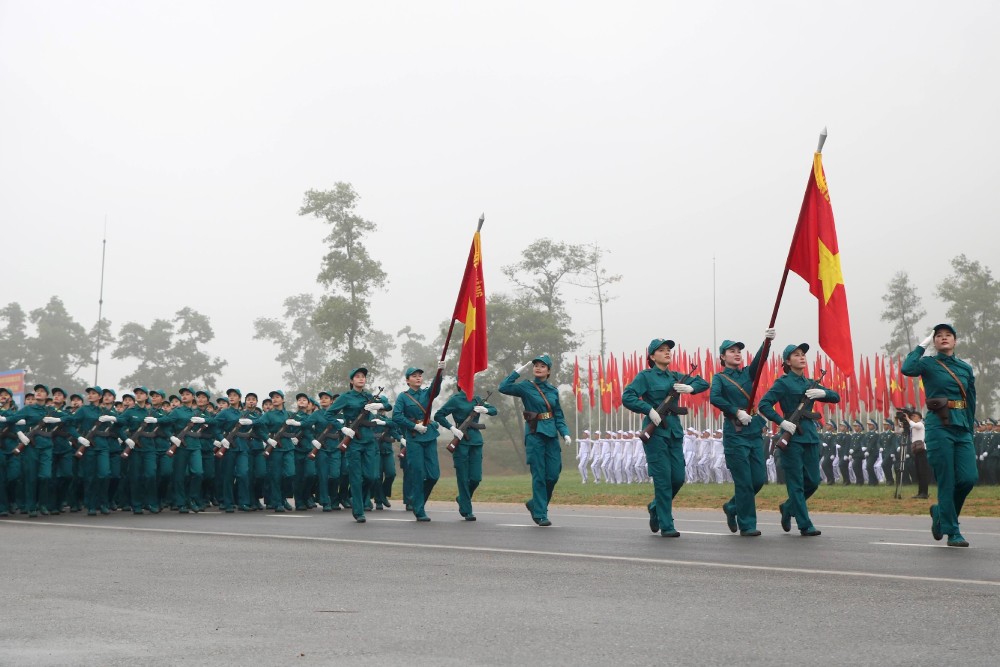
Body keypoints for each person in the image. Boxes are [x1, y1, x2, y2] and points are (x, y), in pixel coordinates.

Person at [622, 339, 709, 537]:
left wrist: (690, 388)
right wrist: (648, 409)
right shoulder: (645, 377)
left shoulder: (676, 377)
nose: (667, 352)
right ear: (652, 356)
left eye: (668, 350)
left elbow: (704, 382)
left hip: (674, 430)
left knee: (678, 477)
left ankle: (655, 507)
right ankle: (666, 524)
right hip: (655, 433)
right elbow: (628, 396)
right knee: (663, 480)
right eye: (661, 350)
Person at [902, 324, 976, 546]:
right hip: (938, 426)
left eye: (948, 335)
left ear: (955, 341)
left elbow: (971, 400)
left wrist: (970, 429)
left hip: (961, 427)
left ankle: (940, 514)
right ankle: (952, 532)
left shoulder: (965, 368)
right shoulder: (928, 363)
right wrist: (921, 346)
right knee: (947, 480)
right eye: (938, 336)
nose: (943, 338)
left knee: (968, 479)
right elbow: (907, 368)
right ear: (934, 342)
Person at [759, 343, 840, 537]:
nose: (802, 357)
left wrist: (824, 393)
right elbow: (764, 404)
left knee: (812, 481)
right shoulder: (783, 383)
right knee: (795, 483)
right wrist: (781, 422)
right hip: (792, 438)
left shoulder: (810, 383)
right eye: (796, 355)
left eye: (803, 354)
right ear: (788, 361)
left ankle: (788, 507)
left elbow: (836, 397)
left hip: (810, 436)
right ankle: (805, 524)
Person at [710, 331, 773, 536]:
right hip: (735, 432)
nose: (737, 354)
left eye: (739, 351)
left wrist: (767, 342)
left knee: (758, 479)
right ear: (722, 356)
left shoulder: (748, 374)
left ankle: (732, 507)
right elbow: (715, 398)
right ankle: (747, 525)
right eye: (731, 351)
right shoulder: (719, 378)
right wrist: (736, 411)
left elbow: (760, 360)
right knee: (744, 481)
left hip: (753, 430)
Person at [500, 354, 571, 527]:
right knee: (539, 475)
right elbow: (503, 387)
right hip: (535, 434)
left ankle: (535, 504)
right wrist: (517, 372)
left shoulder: (553, 390)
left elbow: (558, 415)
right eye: (536, 365)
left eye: (542, 366)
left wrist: (565, 432)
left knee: (553, 475)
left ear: (549, 370)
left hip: (551, 435)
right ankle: (540, 514)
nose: (538, 368)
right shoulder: (526, 387)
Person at [434, 381, 497, 520]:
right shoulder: (455, 400)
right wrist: (452, 428)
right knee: (463, 478)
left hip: (476, 442)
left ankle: (462, 498)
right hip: (461, 441)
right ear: (460, 384)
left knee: (475, 478)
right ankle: (467, 510)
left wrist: (485, 410)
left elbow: (494, 410)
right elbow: (438, 415)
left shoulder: (478, 399)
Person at [393, 363, 444, 522]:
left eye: (420, 376)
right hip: (414, 438)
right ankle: (419, 509)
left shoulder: (426, 393)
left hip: (429, 436)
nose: (418, 378)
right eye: (414, 376)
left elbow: (435, 388)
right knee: (417, 474)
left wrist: (439, 371)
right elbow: (396, 416)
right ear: (407, 380)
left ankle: (417, 501)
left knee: (434, 475)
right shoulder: (403, 396)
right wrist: (413, 426)